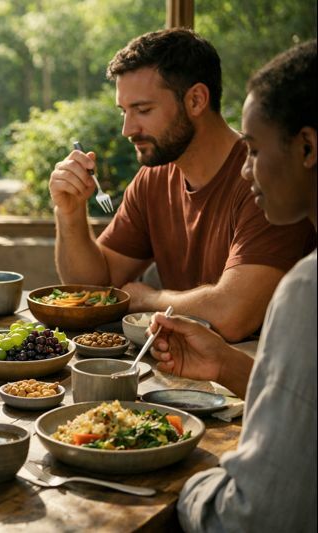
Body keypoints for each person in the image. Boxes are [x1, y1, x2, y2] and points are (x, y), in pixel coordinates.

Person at [48, 28, 314, 342]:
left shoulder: (268, 181)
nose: (127, 129)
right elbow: (92, 290)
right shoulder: (155, 177)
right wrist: (69, 213)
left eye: (143, 110)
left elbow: (233, 316)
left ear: (196, 100)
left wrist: (148, 298)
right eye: (124, 111)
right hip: (184, 371)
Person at [149, 40, 316, 532]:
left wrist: (191, 479)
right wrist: (226, 364)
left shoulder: (307, 290)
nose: (246, 170)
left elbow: (253, 515)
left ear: (308, 147)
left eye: (256, 150)